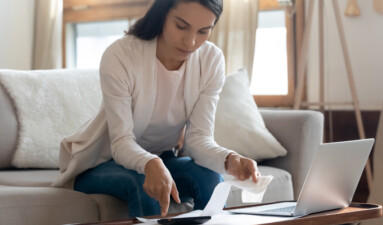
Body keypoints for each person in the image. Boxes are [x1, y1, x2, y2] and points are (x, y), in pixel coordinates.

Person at [52, 0, 260, 218]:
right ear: (161, 14)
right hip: (102, 163)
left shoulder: (211, 60)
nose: (190, 42)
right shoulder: (120, 55)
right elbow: (121, 142)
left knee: (211, 177)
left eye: (203, 31)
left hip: (162, 157)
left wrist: (229, 159)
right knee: (141, 180)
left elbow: (198, 138)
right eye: (181, 26)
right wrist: (149, 163)